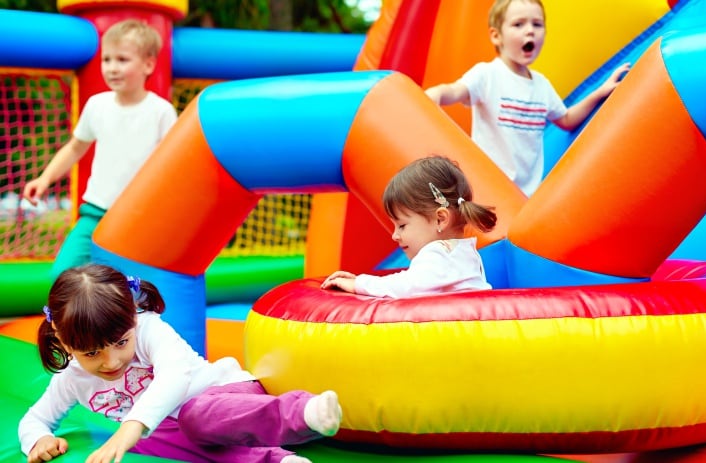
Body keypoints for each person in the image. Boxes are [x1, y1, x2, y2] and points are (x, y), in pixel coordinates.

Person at [19, 264, 342, 463]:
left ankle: (301, 413)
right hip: (182, 432)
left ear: (132, 317)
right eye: (91, 353)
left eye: (120, 343)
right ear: (62, 339)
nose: (111, 361)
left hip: (227, 399)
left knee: (191, 418)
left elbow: (176, 375)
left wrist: (131, 426)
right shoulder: (72, 379)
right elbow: (34, 419)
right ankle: (276, 460)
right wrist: (39, 439)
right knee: (150, 441)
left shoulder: (147, 329)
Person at [424, 0, 631, 197]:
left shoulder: (541, 85)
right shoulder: (487, 75)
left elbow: (566, 120)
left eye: (537, 24)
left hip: (526, 197)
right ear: (497, 36)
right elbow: (454, 90)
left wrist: (601, 92)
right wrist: (437, 95)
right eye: (518, 24)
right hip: (487, 188)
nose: (530, 30)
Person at [22, 19, 178, 278]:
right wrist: (45, 178)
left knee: (133, 284)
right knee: (62, 275)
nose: (112, 68)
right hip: (96, 213)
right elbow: (75, 148)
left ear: (148, 65)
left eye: (122, 59)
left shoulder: (161, 112)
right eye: (107, 60)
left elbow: (172, 166)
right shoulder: (97, 105)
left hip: (141, 217)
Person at [321, 155, 497, 298]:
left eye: (402, 225)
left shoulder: (439, 253)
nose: (395, 235)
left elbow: (406, 286)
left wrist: (358, 284)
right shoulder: (465, 253)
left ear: (440, 219)